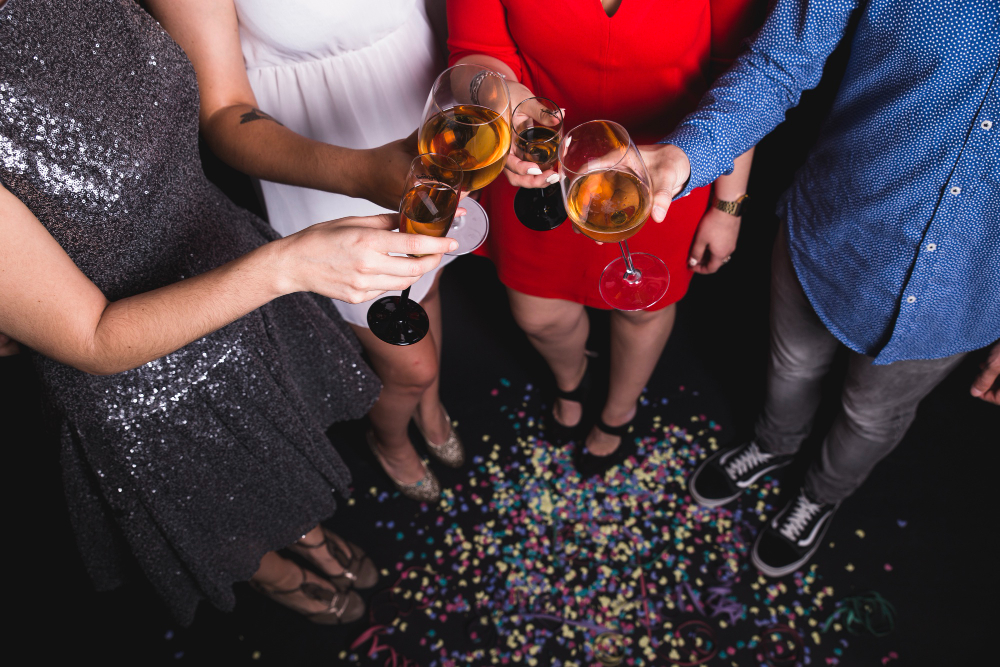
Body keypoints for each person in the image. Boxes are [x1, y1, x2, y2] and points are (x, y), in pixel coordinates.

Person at [0, 0, 457, 625]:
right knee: (219, 498)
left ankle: (309, 537)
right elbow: (92, 338)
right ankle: (277, 575)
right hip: (139, 361)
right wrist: (288, 267)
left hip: (221, 246)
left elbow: (212, 103)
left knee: (277, 451)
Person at [644, 0, 1000, 576]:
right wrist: (688, 156)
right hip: (832, 228)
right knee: (791, 365)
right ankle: (773, 444)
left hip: (967, 292)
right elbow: (781, 59)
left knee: (871, 417)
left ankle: (820, 495)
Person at [145, 0, 464, 503]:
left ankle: (429, 408)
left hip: (419, 119)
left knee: (429, 278)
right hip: (324, 167)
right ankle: (390, 438)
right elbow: (224, 111)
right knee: (410, 365)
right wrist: (361, 174)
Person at [447, 0, 760, 475]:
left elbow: (744, 87)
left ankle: (618, 411)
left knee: (642, 311)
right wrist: (500, 97)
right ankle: (570, 384)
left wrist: (728, 205)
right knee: (539, 315)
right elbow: (472, 56)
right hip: (544, 174)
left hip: (667, 178)